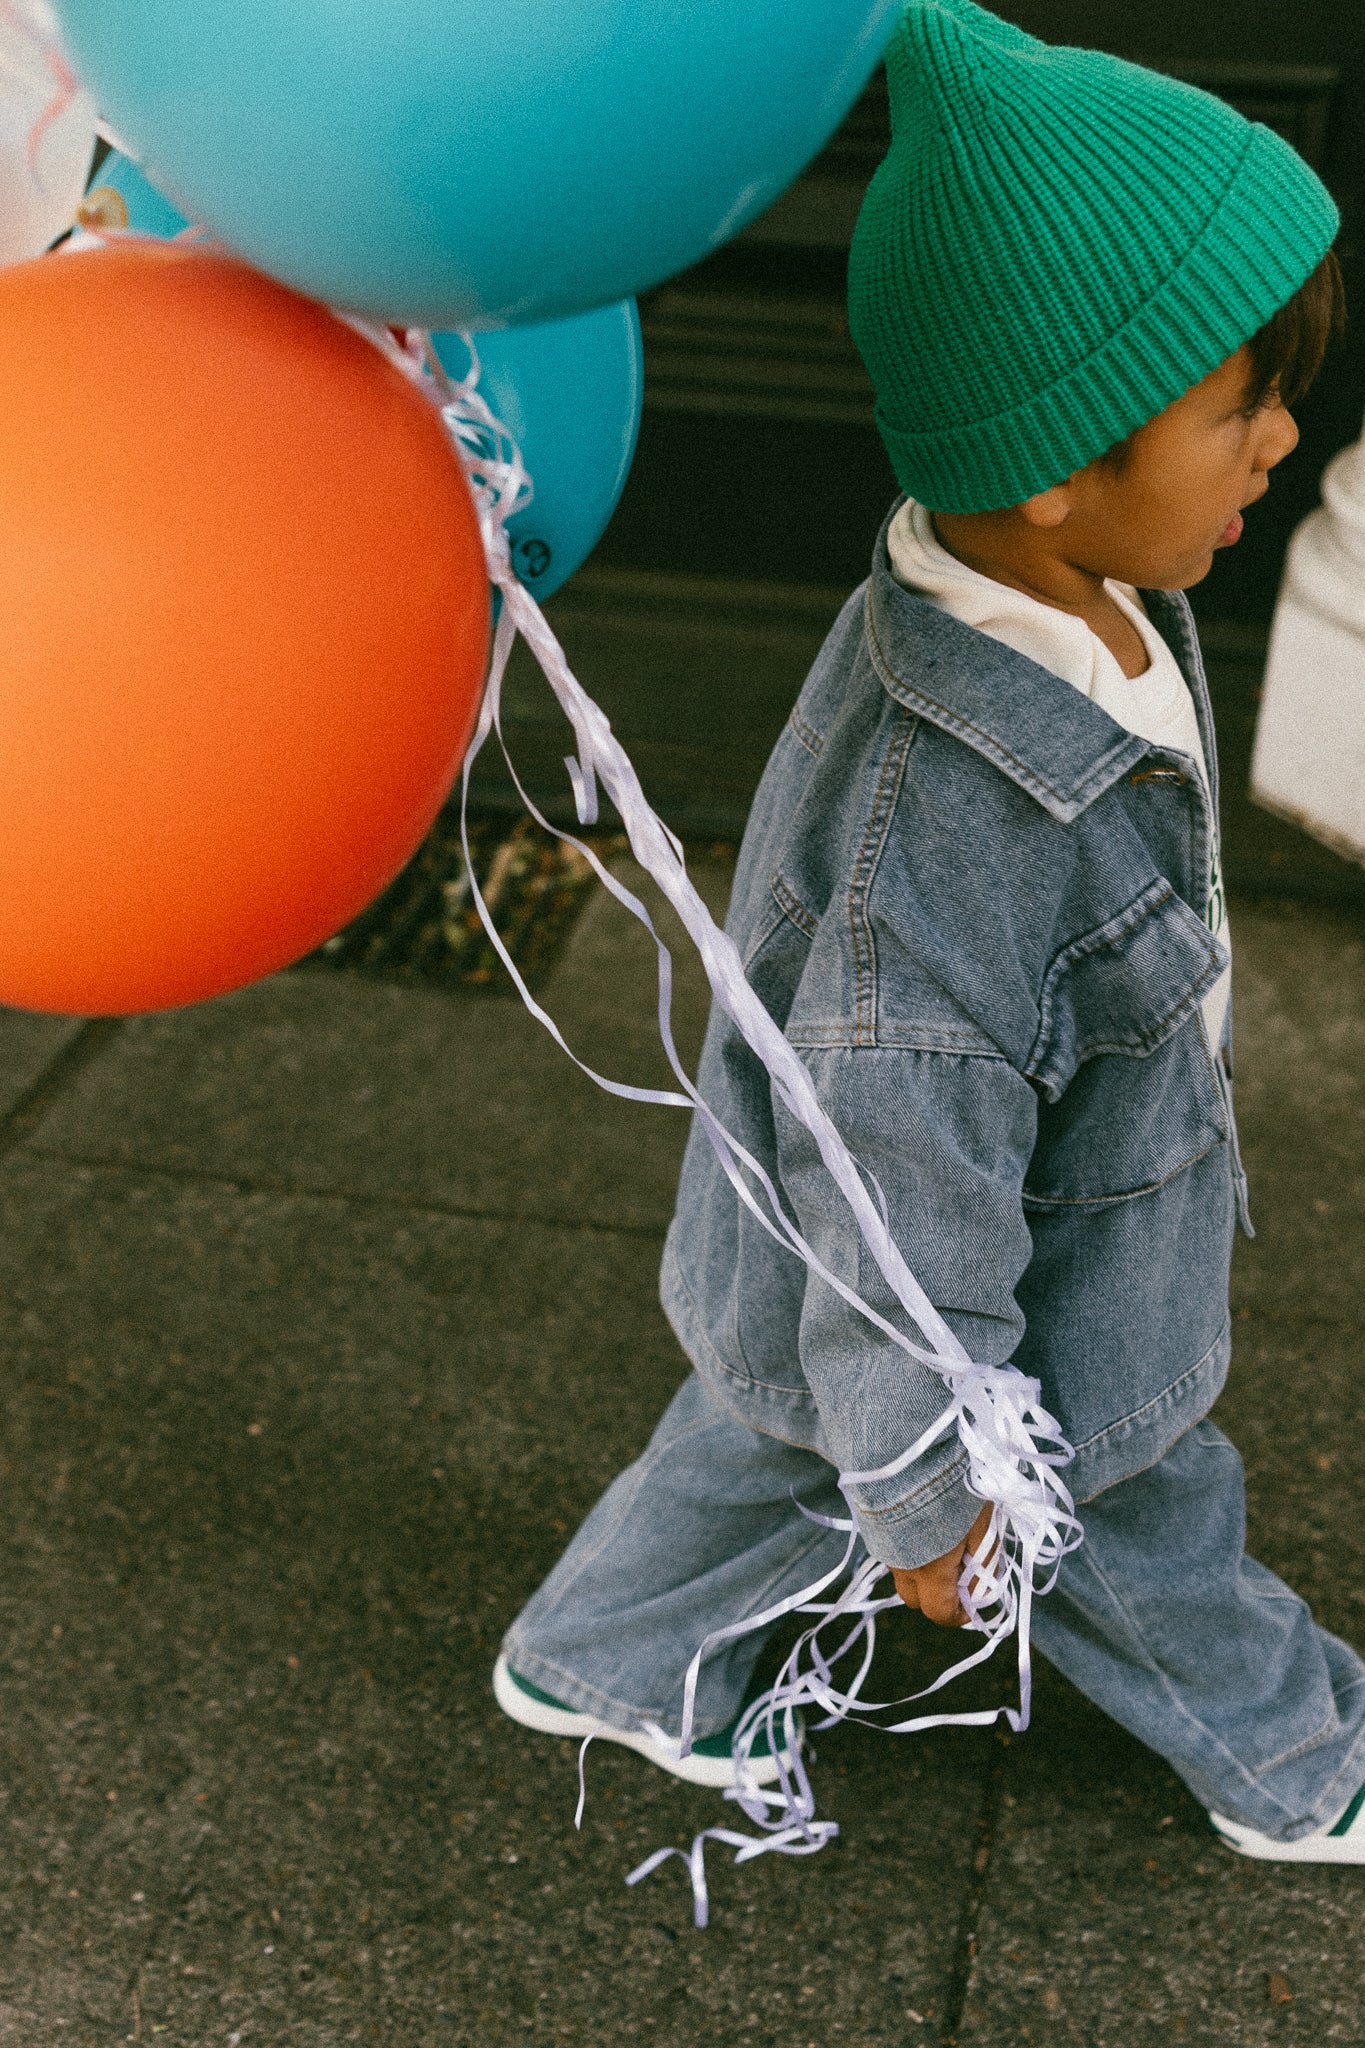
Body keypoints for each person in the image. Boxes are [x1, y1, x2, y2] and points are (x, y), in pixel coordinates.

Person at [495, 0, 1365, 1861]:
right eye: (1246, 406)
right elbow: (896, 1190)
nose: (1286, 442)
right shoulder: (950, 841)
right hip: (1005, 1335)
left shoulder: (1072, 582)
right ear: (1058, 459)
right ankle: (1301, 1762)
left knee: (752, 1458)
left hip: (920, 1254)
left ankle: (606, 1659)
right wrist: (941, 1487)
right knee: (1129, 1517)